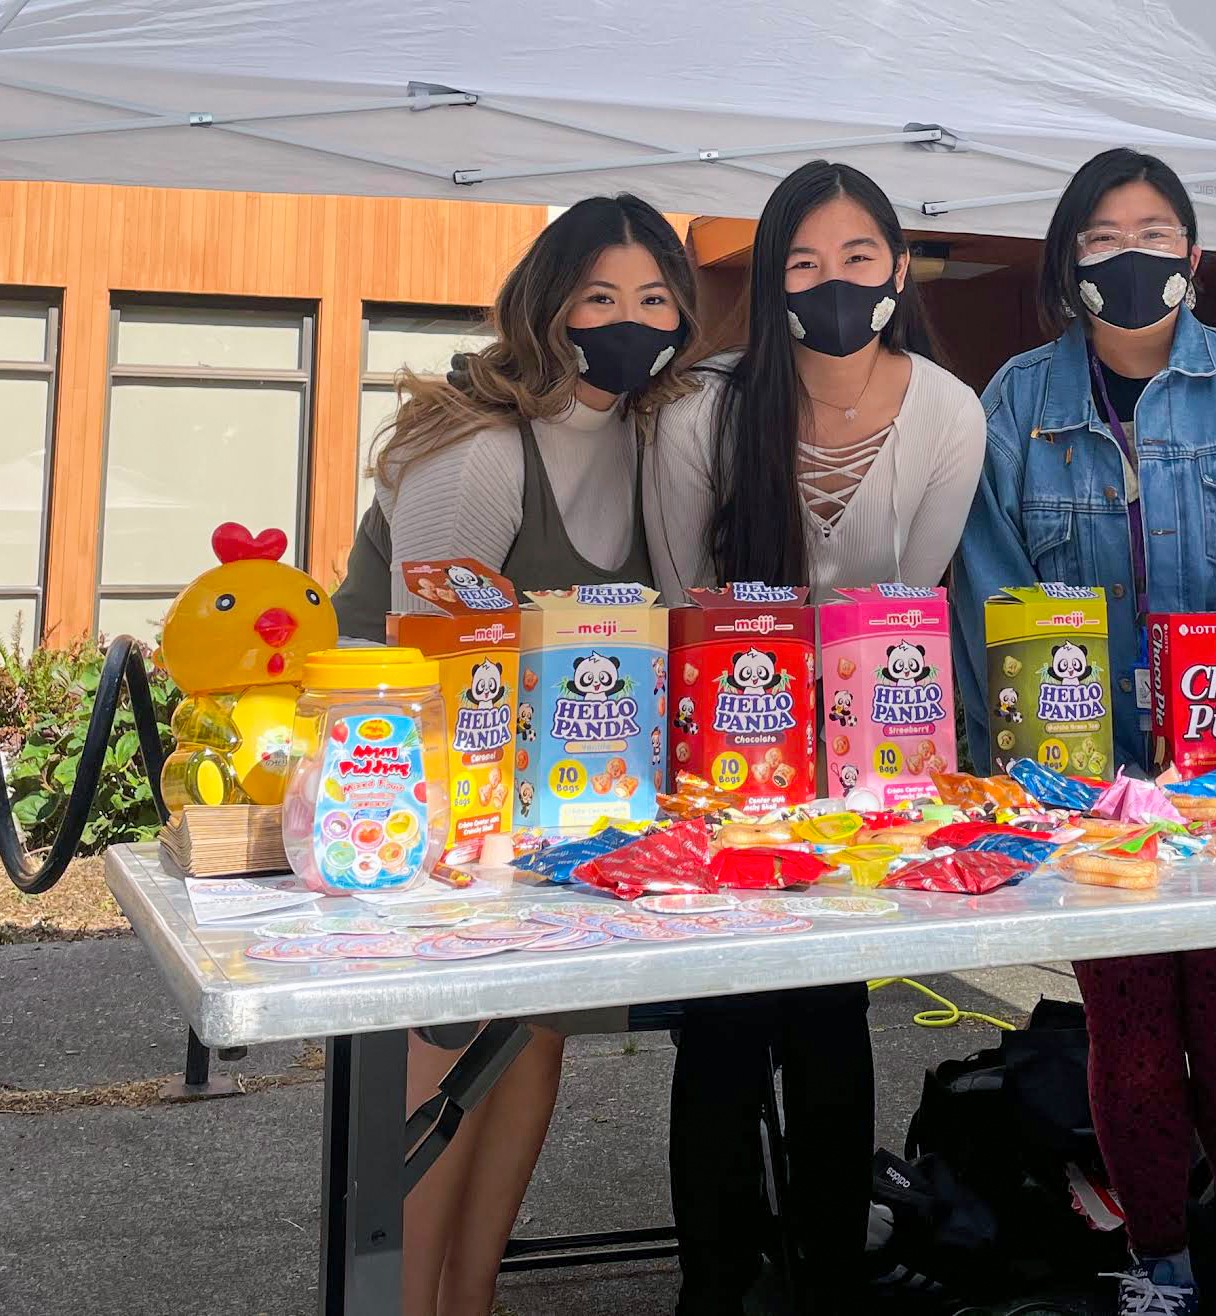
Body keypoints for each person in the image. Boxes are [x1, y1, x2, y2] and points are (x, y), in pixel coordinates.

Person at [951, 149, 1216, 1316]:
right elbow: (991, 582)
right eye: (1101, 237)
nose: (1131, 256)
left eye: (1153, 231)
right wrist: (1044, 763)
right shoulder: (1015, 401)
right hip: (1088, 784)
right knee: (1123, 1028)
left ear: (1194, 256)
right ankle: (1158, 1261)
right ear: (1067, 262)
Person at [333, 193, 699, 1316]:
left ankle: (473, 1294)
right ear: (545, 306)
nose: (627, 322)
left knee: (532, 1031)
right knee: (443, 1041)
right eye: (599, 297)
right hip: (418, 786)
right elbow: (421, 675)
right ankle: (409, 1301)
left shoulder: (651, 439)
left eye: (653, 299)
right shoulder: (483, 448)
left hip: (548, 806)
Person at [645, 158, 984, 1315]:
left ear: (896, 266)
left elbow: (912, 592)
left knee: (834, 1012)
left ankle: (832, 1270)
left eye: (854, 258)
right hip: (728, 756)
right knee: (727, 1021)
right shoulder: (704, 407)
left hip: (867, 767)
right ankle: (712, 1275)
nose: (830, 282)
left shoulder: (947, 409)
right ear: (771, 279)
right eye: (801, 262)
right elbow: (684, 590)